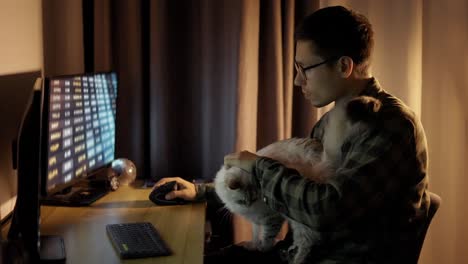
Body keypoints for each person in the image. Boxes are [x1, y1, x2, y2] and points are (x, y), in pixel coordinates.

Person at [155, 5, 430, 264]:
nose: (298, 80)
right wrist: (207, 192)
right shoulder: (329, 122)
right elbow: (294, 192)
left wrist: (259, 166)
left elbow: (324, 210)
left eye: (305, 69)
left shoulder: (390, 126)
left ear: (344, 66)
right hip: (298, 253)